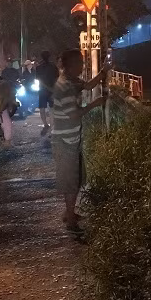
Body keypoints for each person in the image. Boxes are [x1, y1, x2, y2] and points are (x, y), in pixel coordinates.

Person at [52, 49, 109, 233]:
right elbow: (74, 114)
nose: (82, 66)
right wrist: (95, 104)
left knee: (75, 178)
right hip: (65, 140)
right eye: (79, 63)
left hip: (71, 138)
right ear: (69, 65)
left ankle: (69, 212)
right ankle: (70, 221)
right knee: (71, 181)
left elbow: (88, 86)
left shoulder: (71, 81)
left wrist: (103, 73)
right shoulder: (65, 87)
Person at [35, 51, 59, 135]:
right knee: (52, 109)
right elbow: (57, 78)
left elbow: (38, 80)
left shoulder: (39, 68)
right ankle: (52, 128)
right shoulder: (53, 66)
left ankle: (45, 124)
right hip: (52, 90)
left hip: (42, 90)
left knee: (42, 108)